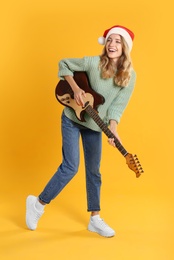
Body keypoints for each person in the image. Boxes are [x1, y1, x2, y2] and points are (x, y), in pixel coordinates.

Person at [26, 25, 136, 238]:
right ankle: (37, 204)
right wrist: (76, 90)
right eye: (110, 40)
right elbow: (64, 64)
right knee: (70, 167)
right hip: (72, 119)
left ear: (125, 47)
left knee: (94, 171)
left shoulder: (130, 76)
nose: (113, 44)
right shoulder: (94, 62)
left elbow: (117, 107)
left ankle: (95, 219)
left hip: (94, 125)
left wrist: (113, 129)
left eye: (118, 41)